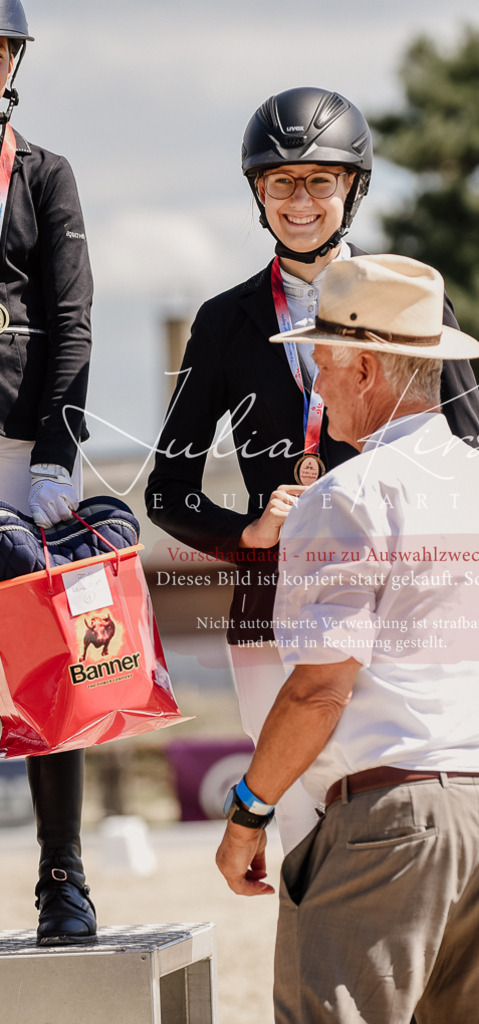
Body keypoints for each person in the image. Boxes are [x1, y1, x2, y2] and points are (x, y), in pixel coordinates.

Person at [215, 254, 479, 1024]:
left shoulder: (345, 497)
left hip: (392, 821)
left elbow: (320, 689)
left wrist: (250, 810)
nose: (316, 384)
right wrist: (459, 747)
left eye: (323, 362)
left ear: (368, 370)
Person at [146, 86, 479, 854]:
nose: (298, 201)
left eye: (319, 180)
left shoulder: (412, 301)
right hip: (270, 607)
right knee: (301, 824)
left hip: (395, 602)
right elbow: (168, 491)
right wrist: (249, 533)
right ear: (257, 194)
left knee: (387, 817)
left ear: (354, 188)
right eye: (280, 182)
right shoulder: (222, 321)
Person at [0, 0, 96, 943]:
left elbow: (71, 320)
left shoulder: (44, 175)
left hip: (20, 449)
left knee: (44, 660)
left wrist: (58, 457)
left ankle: (61, 875)